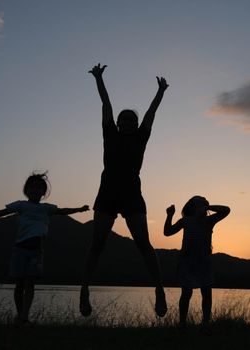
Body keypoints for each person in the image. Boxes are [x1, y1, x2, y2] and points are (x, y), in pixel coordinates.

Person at [80, 63, 169, 317]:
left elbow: (151, 114)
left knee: (144, 244)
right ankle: (84, 291)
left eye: (132, 119)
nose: (127, 122)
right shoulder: (109, 133)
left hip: (132, 194)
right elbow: (106, 104)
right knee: (97, 244)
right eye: (123, 119)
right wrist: (98, 78)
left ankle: (160, 290)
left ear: (136, 123)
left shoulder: (141, 137)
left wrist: (161, 92)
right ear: (117, 123)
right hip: (107, 193)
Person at [0, 172, 89, 325]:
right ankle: (20, 315)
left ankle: (25, 316)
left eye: (39, 188)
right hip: (19, 249)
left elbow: (63, 211)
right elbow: (0, 213)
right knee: (19, 284)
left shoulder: (46, 208)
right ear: (27, 190)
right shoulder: (21, 205)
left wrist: (79, 209)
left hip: (36, 251)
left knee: (30, 283)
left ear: (43, 192)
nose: (36, 191)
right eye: (32, 188)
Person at [163, 196, 230, 331]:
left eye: (205, 203)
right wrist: (169, 215)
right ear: (192, 206)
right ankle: (182, 324)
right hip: (187, 262)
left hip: (204, 262)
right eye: (201, 203)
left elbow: (226, 210)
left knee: (206, 293)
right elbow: (167, 232)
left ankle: (205, 323)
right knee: (186, 294)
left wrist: (209, 208)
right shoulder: (185, 221)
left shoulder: (209, 220)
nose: (204, 204)